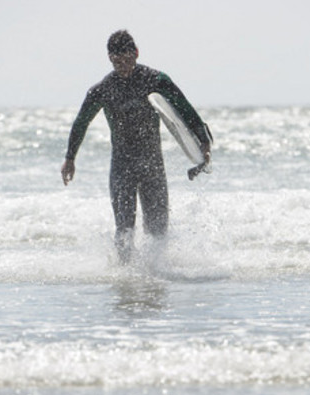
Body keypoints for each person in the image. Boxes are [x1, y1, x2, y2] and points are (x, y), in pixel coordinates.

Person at [61, 30, 212, 263]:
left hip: (152, 164)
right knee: (124, 229)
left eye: (126, 59)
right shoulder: (103, 89)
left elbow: (184, 108)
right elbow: (81, 122)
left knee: (158, 230)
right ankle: (125, 281)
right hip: (122, 165)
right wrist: (70, 158)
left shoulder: (156, 80)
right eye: (116, 61)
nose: (122, 65)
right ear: (110, 59)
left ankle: (156, 277)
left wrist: (202, 140)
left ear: (136, 53)